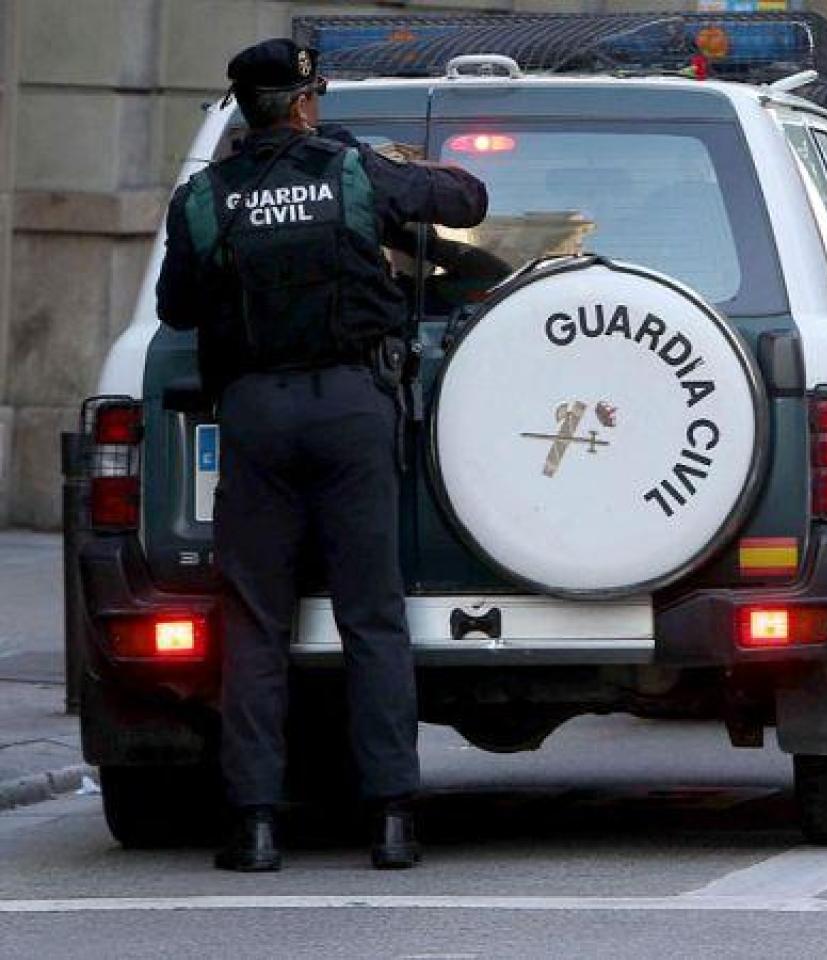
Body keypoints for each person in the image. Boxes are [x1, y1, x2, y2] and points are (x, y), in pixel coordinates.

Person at [156, 38, 488, 872]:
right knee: (371, 615)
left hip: (257, 414)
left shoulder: (204, 197)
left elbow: (178, 307)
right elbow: (468, 200)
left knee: (256, 626)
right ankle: (391, 823)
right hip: (351, 410)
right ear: (305, 103)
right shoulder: (350, 173)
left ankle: (257, 827)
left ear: (242, 109)